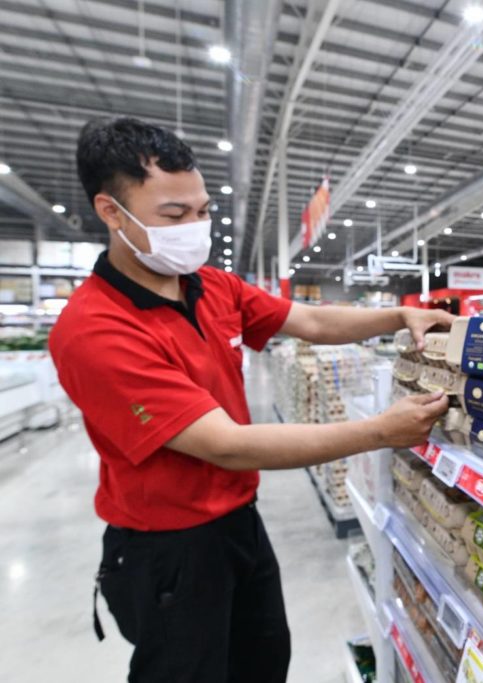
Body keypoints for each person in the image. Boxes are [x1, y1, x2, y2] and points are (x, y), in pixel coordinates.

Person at [49, 117, 453, 683]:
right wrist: (379, 431)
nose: (195, 227)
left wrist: (398, 314)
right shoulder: (94, 329)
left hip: (240, 521)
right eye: (173, 215)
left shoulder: (212, 285)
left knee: (264, 661)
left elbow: (309, 318)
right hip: (169, 549)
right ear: (112, 213)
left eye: (202, 210)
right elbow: (226, 445)